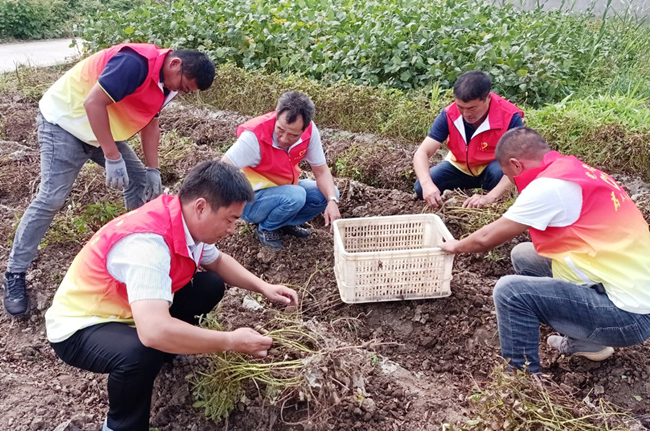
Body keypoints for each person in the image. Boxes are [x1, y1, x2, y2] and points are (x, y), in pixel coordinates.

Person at [45, 161, 299, 431]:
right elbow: (153, 331)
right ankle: (120, 426)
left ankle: (169, 351)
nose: (232, 229)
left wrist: (264, 287)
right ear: (201, 207)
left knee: (210, 284)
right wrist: (230, 341)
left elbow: (217, 262)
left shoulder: (183, 220)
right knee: (141, 352)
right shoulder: (148, 244)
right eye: (230, 219)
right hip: (82, 326)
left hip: (130, 311)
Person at [3, 43, 215, 318]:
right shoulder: (135, 63)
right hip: (64, 123)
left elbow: (151, 122)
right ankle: (15, 273)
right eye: (184, 86)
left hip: (99, 128)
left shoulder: (168, 84)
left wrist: (153, 169)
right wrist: (112, 156)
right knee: (51, 198)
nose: (181, 92)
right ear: (175, 64)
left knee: (139, 180)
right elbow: (93, 102)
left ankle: (139, 249)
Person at [439, 127, 650, 374]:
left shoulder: (550, 187)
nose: (513, 183)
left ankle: (521, 377)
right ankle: (587, 343)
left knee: (510, 292)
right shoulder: (575, 171)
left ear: (516, 165)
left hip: (628, 317)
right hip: (628, 289)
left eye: (510, 176)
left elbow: (486, 239)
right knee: (524, 255)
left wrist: (455, 245)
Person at [222, 91, 340, 249]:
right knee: (296, 196)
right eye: (280, 130)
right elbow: (222, 170)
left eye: (293, 135)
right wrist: (226, 213)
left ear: (304, 129)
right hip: (251, 201)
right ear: (276, 116)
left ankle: (283, 223)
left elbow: (322, 171)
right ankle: (266, 228)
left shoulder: (310, 132)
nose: (284, 139)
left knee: (330, 193)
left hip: (283, 190)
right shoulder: (254, 137)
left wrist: (332, 201)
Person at [413, 70, 524, 209]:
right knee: (420, 187)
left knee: (500, 173)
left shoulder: (509, 117)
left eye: (472, 108)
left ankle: (494, 193)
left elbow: (518, 164)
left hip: (492, 168)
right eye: (461, 107)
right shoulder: (449, 114)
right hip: (460, 167)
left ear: (488, 98)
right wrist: (427, 185)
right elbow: (421, 153)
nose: (466, 114)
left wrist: (490, 197)